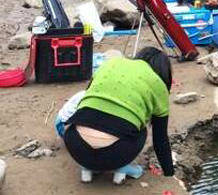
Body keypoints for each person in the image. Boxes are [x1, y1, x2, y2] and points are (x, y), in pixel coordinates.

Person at [62, 48, 177, 185]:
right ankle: (120, 168)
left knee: (93, 122)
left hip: (76, 146)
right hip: (116, 154)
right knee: (141, 130)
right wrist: (169, 172)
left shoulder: (111, 64)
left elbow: (87, 98)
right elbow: (160, 140)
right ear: (163, 72)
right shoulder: (158, 85)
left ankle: (88, 167)